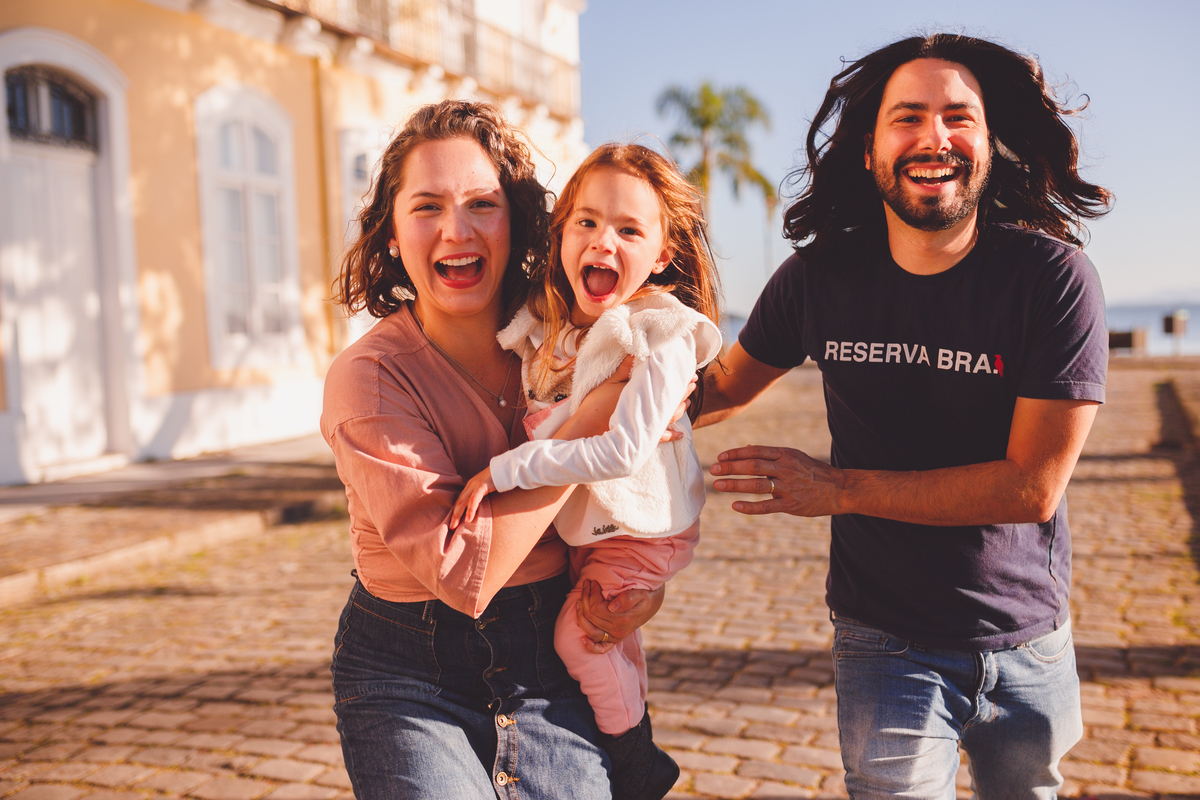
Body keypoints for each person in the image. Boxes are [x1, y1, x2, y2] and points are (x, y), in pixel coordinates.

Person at [698, 34, 1113, 798]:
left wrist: (839, 489)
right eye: (908, 118)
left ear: (989, 145)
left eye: (959, 117)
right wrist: (583, 400)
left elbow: (1031, 489)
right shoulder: (818, 278)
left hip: (1028, 640)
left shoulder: (1053, 280)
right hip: (884, 638)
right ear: (868, 150)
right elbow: (716, 389)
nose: (934, 139)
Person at [320, 101, 676, 800]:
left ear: (515, 222)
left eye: (483, 203)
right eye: (427, 207)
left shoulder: (571, 341)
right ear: (392, 234)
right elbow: (463, 574)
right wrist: (597, 424)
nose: (457, 230)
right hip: (407, 671)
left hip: (551, 658)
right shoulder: (368, 379)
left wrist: (641, 588)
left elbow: (646, 483)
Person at [451, 143, 723, 800]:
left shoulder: (660, 333)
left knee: (581, 638)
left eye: (630, 230)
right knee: (603, 641)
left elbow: (623, 453)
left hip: (640, 524)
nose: (605, 240)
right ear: (562, 232)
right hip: (588, 523)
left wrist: (505, 470)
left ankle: (637, 761)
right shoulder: (546, 326)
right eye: (588, 222)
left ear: (661, 255)